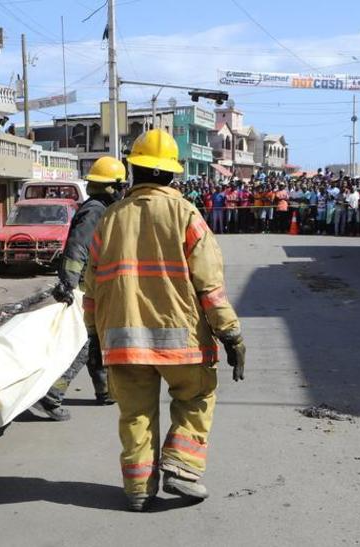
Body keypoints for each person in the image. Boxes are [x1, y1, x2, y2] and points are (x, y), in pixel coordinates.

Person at [83, 129, 246, 512]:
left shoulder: (108, 220)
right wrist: (231, 334)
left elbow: (91, 289)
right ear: (173, 175)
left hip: (123, 343)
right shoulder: (187, 215)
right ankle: (182, 467)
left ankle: (138, 489)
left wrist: (93, 336)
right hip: (183, 341)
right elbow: (210, 286)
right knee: (196, 397)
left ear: (133, 169)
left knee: (135, 414)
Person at [33, 156, 126, 421]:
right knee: (83, 345)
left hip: (95, 287)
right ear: (112, 187)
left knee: (96, 342)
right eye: (120, 187)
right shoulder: (96, 210)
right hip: (85, 289)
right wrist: (70, 282)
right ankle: (51, 397)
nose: (122, 192)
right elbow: (77, 247)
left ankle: (105, 390)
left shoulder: (98, 207)